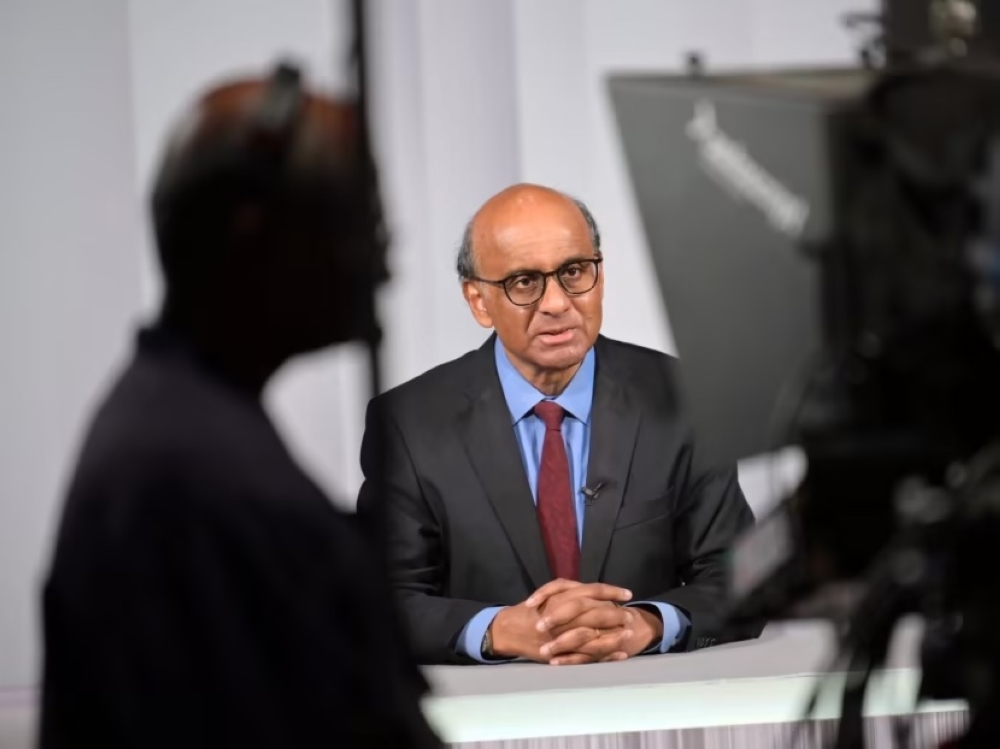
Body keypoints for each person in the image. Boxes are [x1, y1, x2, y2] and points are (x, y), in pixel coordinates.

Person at [39, 65, 440, 748]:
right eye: (355, 223)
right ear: (253, 235)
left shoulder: (173, 431)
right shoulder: (207, 485)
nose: (382, 265)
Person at [357, 183, 758, 666]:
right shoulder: (407, 423)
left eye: (573, 272)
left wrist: (645, 624)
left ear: (600, 275)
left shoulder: (688, 398)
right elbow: (381, 600)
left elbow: (741, 575)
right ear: (479, 300)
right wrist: (498, 630)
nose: (556, 303)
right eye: (524, 282)